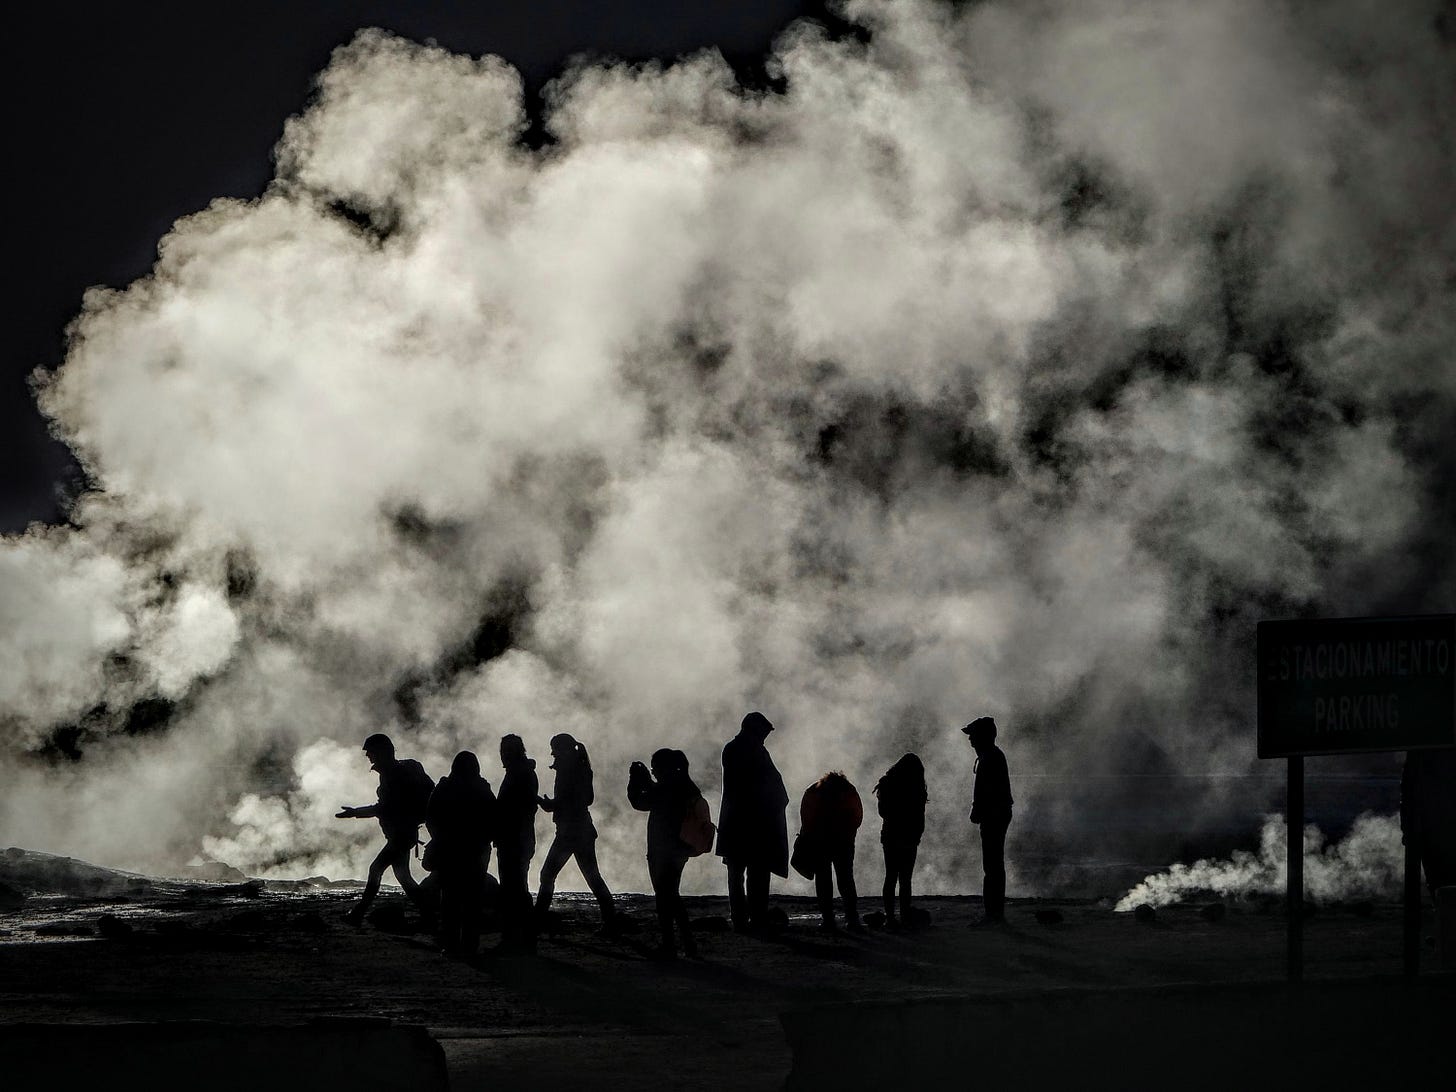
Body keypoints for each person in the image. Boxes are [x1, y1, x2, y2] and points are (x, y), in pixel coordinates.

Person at [336, 733, 437, 926]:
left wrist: (355, 813)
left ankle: (358, 913)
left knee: (376, 869)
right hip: (403, 834)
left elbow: (383, 807)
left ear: (381, 752)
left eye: (370, 753)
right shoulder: (393, 773)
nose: (368, 757)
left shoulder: (393, 776)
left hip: (400, 836)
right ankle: (429, 914)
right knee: (403, 877)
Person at [716, 711, 789, 932]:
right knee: (757, 873)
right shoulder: (754, 751)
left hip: (735, 821)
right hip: (756, 824)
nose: (765, 737)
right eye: (764, 732)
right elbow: (770, 785)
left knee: (737, 873)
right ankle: (756, 918)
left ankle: (740, 919)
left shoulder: (732, 749)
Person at [535, 733, 618, 929]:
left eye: (556, 750)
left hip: (569, 832)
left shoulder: (569, 771)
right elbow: (588, 799)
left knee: (547, 874)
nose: (553, 755)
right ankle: (610, 920)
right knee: (593, 876)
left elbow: (568, 801)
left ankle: (537, 919)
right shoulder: (583, 768)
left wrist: (546, 803)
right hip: (582, 830)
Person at [628, 748, 703, 959]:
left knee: (665, 897)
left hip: (662, 849)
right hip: (680, 848)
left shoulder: (668, 787)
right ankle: (687, 944)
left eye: (655, 769)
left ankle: (671, 944)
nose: (654, 772)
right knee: (671, 895)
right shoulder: (685, 785)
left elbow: (641, 802)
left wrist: (635, 781)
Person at [425, 750, 496, 957]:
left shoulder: (445, 788)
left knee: (450, 900)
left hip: (450, 852)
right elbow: (493, 818)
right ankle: (470, 945)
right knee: (472, 901)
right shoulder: (483, 789)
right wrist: (484, 841)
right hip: (476, 852)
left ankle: (451, 945)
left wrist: (440, 839)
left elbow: (431, 817)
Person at [798, 771, 865, 933]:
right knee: (846, 879)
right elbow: (857, 817)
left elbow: (806, 818)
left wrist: (810, 835)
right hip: (844, 842)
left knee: (823, 880)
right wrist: (848, 833)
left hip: (820, 842)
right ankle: (851, 918)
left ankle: (828, 918)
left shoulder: (813, 791)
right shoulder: (848, 791)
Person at [963, 717, 1013, 924]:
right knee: (994, 865)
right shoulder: (992, 756)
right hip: (998, 813)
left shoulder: (988, 758)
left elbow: (985, 791)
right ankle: (994, 912)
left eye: (973, 736)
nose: (971, 741)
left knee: (992, 866)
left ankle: (993, 914)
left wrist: (977, 811)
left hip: (994, 815)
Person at [494, 734, 539, 952]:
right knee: (518, 889)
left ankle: (514, 939)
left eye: (505, 751)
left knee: (513, 891)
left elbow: (511, 809)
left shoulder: (518, 775)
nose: (502, 756)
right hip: (519, 838)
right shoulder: (523, 773)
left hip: (514, 839)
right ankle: (525, 939)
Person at [875, 753, 927, 929]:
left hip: (890, 835)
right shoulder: (917, 787)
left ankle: (890, 917)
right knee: (906, 879)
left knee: (890, 877)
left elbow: (882, 812)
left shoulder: (887, 784)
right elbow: (920, 816)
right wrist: (917, 834)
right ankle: (905, 916)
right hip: (909, 837)